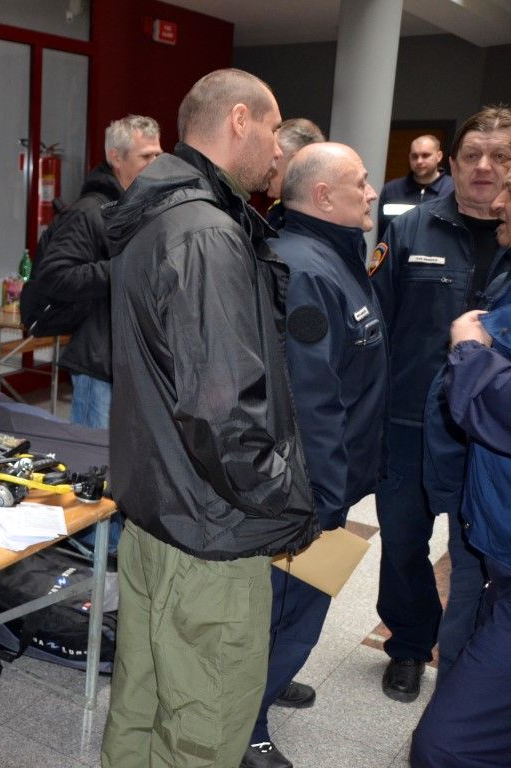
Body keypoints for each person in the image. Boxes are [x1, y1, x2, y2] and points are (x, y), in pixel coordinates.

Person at [100, 69, 317, 768]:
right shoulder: (206, 234)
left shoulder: (162, 216)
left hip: (159, 514)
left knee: (141, 705)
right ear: (239, 120)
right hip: (211, 532)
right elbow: (223, 414)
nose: (279, 151)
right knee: (204, 732)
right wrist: (285, 500)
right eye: (274, 131)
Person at [242, 143, 387, 768]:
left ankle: (268, 688)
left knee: (300, 603)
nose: (373, 193)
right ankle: (246, 725)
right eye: (361, 183)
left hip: (327, 477)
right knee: (288, 607)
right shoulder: (306, 269)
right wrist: (326, 498)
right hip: (308, 488)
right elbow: (310, 398)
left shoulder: (333, 258)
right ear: (324, 196)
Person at [368, 106, 511, 700]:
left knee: (475, 554)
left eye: (501, 157)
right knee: (403, 543)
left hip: (491, 433)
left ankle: (469, 664)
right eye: (472, 155)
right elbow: (375, 326)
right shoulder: (410, 229)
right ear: (451, 164)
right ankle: (408, 645)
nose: (484, 167)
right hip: (407, 423)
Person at [409, 175, 511, 768]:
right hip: (494, 543)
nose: (497, 202)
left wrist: (468, 350)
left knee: (447, 744)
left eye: (510, 185)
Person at [36, 115, 161, 430]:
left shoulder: (137, 208)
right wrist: (123, 268)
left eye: (159, 155)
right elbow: (54, 276)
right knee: (94, 457)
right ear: (116, 158)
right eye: (146, 156)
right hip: (99, 364)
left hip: (129, 362)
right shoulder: (89, 212)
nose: (156, 164)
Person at [377, 135, 455, 233]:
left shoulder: (453, 189)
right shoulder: (391, 190)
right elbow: (382, 232)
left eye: (425, 155)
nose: (419, 161)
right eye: (414, 156)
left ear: (439, 156)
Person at [263, 118, 325, 229]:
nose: (266, 164)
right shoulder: (278, 211)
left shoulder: (316, 222)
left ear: (296, 161)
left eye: (275, 157)